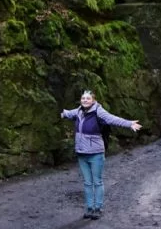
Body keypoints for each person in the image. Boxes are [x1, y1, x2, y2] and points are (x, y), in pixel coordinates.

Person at [60, 90, 141, 220]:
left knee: (97, 181)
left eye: (88, 98)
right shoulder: (79, 111)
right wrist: (62, 113)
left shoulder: (98, 111)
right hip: (82, 153)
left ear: (93, 100)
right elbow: (68, 113)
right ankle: (89, 208)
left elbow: (112, 119)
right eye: (83, 98)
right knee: (87, 182)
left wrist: (129, 123)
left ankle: (98, 208)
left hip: (96, 153)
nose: (85, 100)